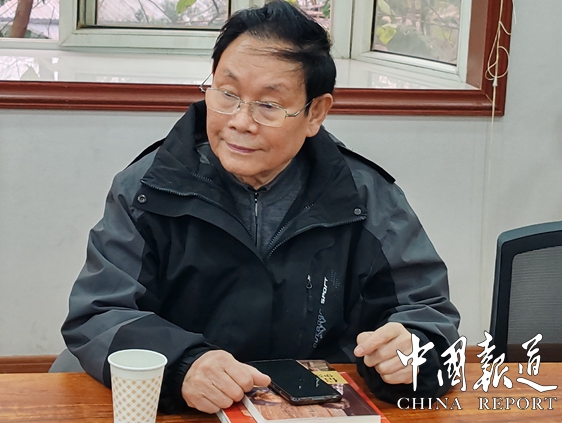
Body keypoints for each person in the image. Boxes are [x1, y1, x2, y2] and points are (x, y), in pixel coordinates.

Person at [61, 0, 460, 415]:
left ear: (315, 113)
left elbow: (427, 312)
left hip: (313, 410)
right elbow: (99, 313)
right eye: (227, 94)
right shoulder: (149, 188)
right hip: (182, 409)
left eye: (268, 105)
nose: (240, 121)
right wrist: (182, 365)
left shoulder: (365, 198)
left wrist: (413, 350)